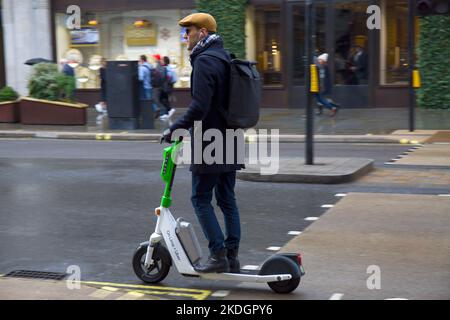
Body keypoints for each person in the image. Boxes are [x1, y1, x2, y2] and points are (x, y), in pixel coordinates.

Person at [161, 12, 244, 274]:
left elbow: (199, 105)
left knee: (200, 198)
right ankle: (232, 257)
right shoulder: (225, 57)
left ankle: (218, 254)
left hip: (211, 139)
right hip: (231, 136)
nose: (185, 36)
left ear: (203, 33)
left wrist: (175, 128)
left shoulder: (205, 60)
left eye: (189, 31)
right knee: (227, 199)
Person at [159, 56, 177, 120]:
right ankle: (167, 113)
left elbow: (170, 77)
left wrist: (167, 82)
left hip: (166, 86)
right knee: (165, 99)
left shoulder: (167, 68)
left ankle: (170, 109)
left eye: (161, 60)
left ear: (165, 61)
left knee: (161, 98)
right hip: (166, 86)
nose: (160, 61)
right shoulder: (167, 67)